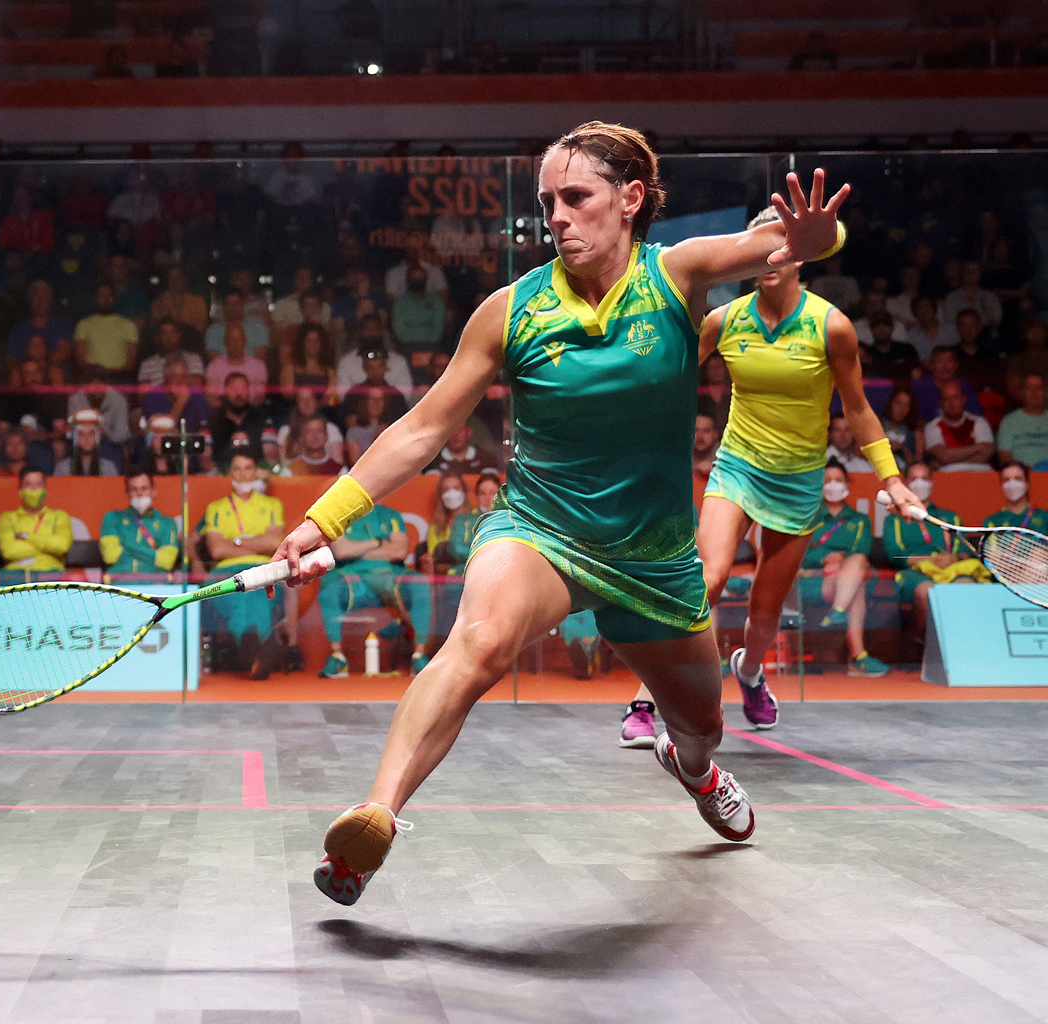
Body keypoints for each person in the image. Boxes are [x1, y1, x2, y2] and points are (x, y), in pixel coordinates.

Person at [274, 124, 882, 906]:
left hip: (655, 558)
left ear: (629, 200)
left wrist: (815, 233)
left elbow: (782, 242)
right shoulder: (511, 310)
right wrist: (325, 518)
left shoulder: (677, 275)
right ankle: (375, 818)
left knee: (700, 726)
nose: (556, 216)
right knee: (481, 642)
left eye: (576, 197)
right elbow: (423, 429)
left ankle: (693, 770)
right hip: (540, 531)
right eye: (546, 202)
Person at [635, 204, 916, 741]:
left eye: (782, 241)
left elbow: (857, 409)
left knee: (765, 612)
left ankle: (749, 670)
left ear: (801, 255)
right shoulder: (725, 319)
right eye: (760, 241)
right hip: (737, 465)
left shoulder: (830, 326)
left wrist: (892, 478)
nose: (770, 253)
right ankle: (647, 699)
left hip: (798, 480)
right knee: (707, 578)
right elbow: (666, 374)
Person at [314, 503, 432, 679]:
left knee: (419, 582)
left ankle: (419, 656)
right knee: (330, 587)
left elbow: (399, 551)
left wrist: (356, 550)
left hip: (390, 578)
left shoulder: (390, 514)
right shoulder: (338, 514)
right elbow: (341, 551)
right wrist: (377, 542)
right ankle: (338, 658)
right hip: (354, 581)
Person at [200, 451, 285, 677]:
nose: (243, 474)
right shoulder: (216, 508)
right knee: (240, 595)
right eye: (237, 469)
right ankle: (261, 643)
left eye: (248, 468)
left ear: (255, 471)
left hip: (263, 569)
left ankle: (249, 644)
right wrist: (257, 542)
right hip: (225, 571)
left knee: (256, 595)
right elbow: (217, 549)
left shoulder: (272, 505)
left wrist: (235, 541)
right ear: (229, 474)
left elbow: (275, 542)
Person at [801, 463, 889, 677]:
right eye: (827, 480)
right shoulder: (808, 517)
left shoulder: (859, 520)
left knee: (856, 562)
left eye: (838, 480)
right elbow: (799, 555)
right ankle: (858, 657)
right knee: (855, 584)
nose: (833, 485)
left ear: (848, 484)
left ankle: (839, 612)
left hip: (844, 577)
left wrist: (840, 562)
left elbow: (861, 551)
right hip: (815, 580)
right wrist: (824, 558)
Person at [884, 463, 986, 645]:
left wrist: (952, 558)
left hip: (950, 570)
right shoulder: (894, 519)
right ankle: (926, 644)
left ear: (932, 481)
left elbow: (964, 550)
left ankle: (963, 645)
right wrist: (930, 560)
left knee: (966, 585)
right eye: (914, 479)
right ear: (905, 482)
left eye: (924, 478)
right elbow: (895, 556)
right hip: (915, 574)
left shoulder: (949, 517)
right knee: (927, 592)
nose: (919, 483)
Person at [0, 469, 72, 585]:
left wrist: (26, 536)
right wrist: (47, 549)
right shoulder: (8, 518)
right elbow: (8, 551)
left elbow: (61, 546)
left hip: (50, 572)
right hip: (15, 573)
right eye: (28, 484)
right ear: (20, 490)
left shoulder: (59, 516)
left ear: (45, 489)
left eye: (38, 484)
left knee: (76, 579)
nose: (34, 489)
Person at [99, 470, 181, 581]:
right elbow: (111, 556)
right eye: (134, 489)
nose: (139, 493)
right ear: (127, 493)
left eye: (144, 488)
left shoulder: (167, 523)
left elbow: (167, 561)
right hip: (120, 584)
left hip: (155, 585)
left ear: (153, 491)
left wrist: (126, 546)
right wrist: (154, 554)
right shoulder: (112, 518)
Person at [923, 380, 994, 472]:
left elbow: (986, 455)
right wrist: (978, 447)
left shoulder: (979, 422)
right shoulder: (932, 426)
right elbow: (944, 456)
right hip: (947, 476)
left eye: (955, 397)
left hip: (980, 474)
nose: (951, 403)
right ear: (941, 402)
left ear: (963, 400)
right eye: (946, 398)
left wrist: (951, 459)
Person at [74, 283, 140, 380]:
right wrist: (96, 372)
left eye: (109, 295)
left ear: (114, 298)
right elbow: (80, 358)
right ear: (95, 299)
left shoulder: (128, 325)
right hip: (92, 378)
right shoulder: (84, 324)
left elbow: (131, 361)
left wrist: (113, 372)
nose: (105, 299)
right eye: (101, 295)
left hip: (119, 378)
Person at [208, 372, 268, 465]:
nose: (239, 393)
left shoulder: (261, 418)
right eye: (234, 389)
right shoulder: (213, 420)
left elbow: (269, 455)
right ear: (225, 391)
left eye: (243, 389)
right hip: (222, 475)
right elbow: (207, 458)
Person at [204, 324, 268, 406]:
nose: (235, 343)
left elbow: (259, 396)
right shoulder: (214, 366)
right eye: (232, 339)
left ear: (245, 342)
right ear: (225, 342)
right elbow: (211, 396)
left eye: (239, 339)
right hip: (223, 413)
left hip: (251, 413)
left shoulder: (258, 366)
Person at [912, 347, 981, 422]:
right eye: (939, 362)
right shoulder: (920, 386)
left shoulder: (965, 386)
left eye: (949, 361)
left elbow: (976, 417)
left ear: (955, 365)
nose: (945, 366)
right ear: (931, 366)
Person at [997, 374, 1048, 469]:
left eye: (1038, 388)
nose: (1034, 392)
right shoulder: (1009, 421)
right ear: (1021, 393)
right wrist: (1026, 471)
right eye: (1029, 388)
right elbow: (1004, 458)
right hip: (1022, 477)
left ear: (1046, 392)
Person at [204, 288, 269, 359]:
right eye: (229, 304)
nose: (233, 307)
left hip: (252, 369)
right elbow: (214, 361)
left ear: (243, 303)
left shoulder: (258, 328)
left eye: (236, 303)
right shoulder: (213, 331)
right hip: (223, 369)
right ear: (223, 306)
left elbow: (259, 359)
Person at [984, 462, 1048, 533]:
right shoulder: (991, 521)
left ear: (1027, 483)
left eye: (1017, 479)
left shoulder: (1045, 517)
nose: (1012, 484)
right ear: (1001, 484)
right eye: (1006, 479)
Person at [137, 317, 204, 386]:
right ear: (157, 338)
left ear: (178, 335)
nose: (169, 337)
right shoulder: (147, 364)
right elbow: (142, 394)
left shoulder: (194, 359)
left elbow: (197, 387)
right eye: (164, 334)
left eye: (172, 333)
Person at [55, 407, 120, 476]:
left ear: (98, 438)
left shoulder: (108, 468)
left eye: (91, 434)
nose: (87, 439)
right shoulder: (63, 468)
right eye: (81, 434)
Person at [880, 388, 922, 469]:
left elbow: (917, 464)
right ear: (891, 403)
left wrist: (903, 449)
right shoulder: (877, 426)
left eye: (906, 405)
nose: (901, 409)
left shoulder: (915, 432)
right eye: (898, 403)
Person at [691, 413, 719, 478]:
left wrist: (715, 470)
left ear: (715, 434)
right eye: (696, 430)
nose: (700, 436)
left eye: (706, 431)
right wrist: (696, 468)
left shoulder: (724, 454)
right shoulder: (680, 450)